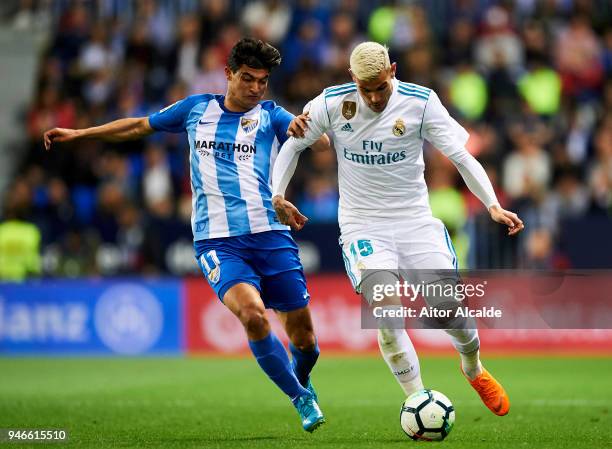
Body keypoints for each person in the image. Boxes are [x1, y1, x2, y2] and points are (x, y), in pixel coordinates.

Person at [43, 38, 328, 432]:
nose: (256, 88)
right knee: (253, 315)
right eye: (248, 78)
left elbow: (317, 141)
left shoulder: (270, 114)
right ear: (228, 74)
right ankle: (300, 398)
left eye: (263, 81)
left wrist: (308, 127)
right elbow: (139, 126)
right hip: (217, 241)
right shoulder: (196, 109)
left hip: (270, 235)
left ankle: (302, 376)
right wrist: (81, 133)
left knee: (306, 340)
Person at [271, 42, 525, 417]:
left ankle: (473, 368)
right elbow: (293, 146)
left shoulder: (421, 102)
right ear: (352, 79)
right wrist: (278, 194)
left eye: (380, 87)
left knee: (447, 308)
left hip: (415, 223)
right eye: (365, 88)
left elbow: (460, 156)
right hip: (362, 227)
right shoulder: (329, 103)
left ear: (392, 70)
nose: (374, 97)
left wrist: (492, 204)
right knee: (386, 311)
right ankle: (418, 400)